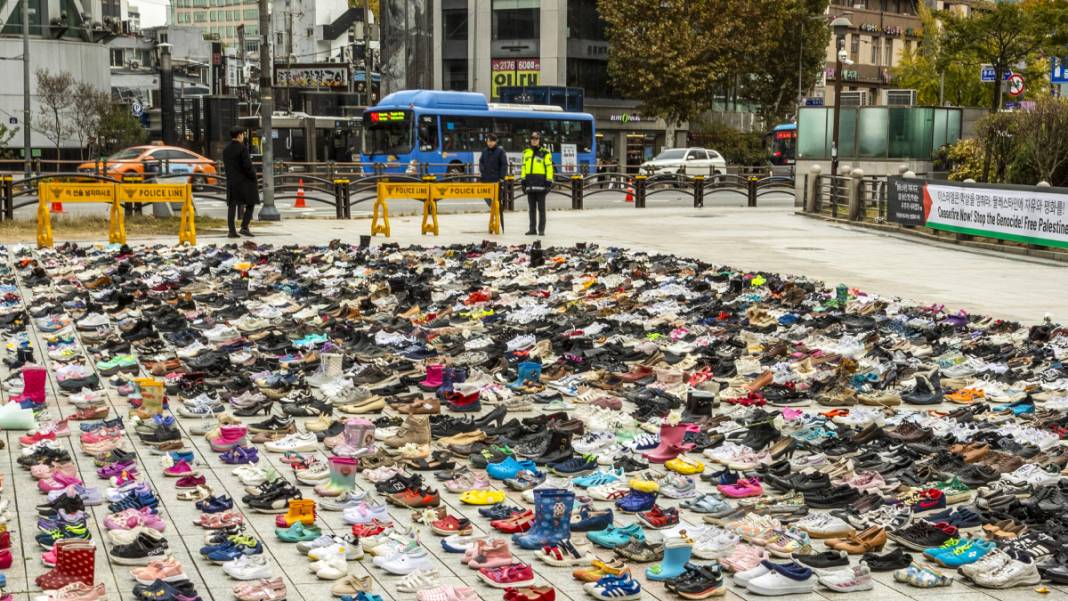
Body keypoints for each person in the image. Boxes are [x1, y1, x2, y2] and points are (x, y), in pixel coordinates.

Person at [223, 126, 259, 238]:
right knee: (251, 202)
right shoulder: (242, 148)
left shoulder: (226, 149)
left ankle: (231, 231)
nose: (243, 136)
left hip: (232, 182)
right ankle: (244, 227)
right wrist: (254, 176)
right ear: (239, 135)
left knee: (232, 205)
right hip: (245, 182)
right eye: (243, 134)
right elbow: (247, 166)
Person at [521, 132, 553, 236]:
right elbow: (524, 167)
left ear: (540, 140)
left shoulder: (545, 153)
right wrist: (523, 180)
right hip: (529, 183)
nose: (534, 140)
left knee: (541, 209)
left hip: (541, 184)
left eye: (536, 138)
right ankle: (532, 229)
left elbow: (549, 168)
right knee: (531, 209)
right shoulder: (526, 152)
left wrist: (549, 181)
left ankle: (541, 230)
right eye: (532, 138)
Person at [479, 133, 509, 230]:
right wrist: (482, 170)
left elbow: (504, 165)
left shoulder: (500, 151)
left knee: (496, 200)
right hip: (486, 180)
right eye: (488, 141)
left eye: (491, 141)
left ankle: (497, 217)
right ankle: (494, 211)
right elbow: (481, 162)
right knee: (487, 197)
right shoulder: (484, 151)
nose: (489, 143)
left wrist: (501, 177)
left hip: (496, 180)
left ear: (495, 142)